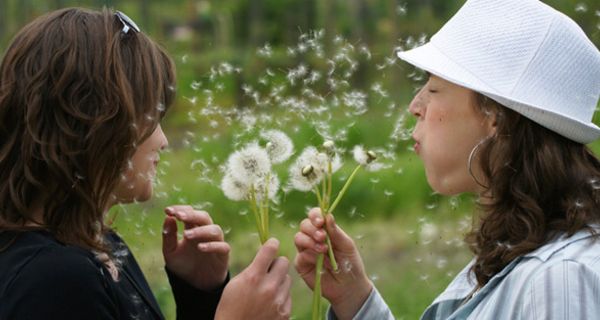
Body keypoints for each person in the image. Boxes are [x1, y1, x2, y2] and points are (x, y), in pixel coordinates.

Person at [294, 0, 600, 319]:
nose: (415, 105)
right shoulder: (519, 253)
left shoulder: (560, 279)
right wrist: (355, 299)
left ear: (495, 115)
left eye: (435, 88)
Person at [0, 7, 291, 320]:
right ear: (96, 125)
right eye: (150, 118)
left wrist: (199, 296)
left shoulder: (95, 243)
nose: (163, 140)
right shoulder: (52, 282)